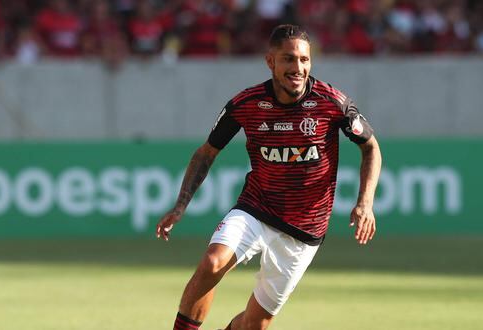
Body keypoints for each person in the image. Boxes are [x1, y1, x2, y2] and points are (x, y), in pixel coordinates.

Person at [156, 24, 382, 330]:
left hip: (304, 228)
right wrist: (180, 206)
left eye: (304, 60)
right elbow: (206, 152)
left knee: (254, 324)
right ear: (270, 62)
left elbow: (371, 148)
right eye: (288, 59)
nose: (298, 68)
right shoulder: (246, 104)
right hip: (256, 208)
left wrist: (365, 203)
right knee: (212, 262)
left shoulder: (332, 104)